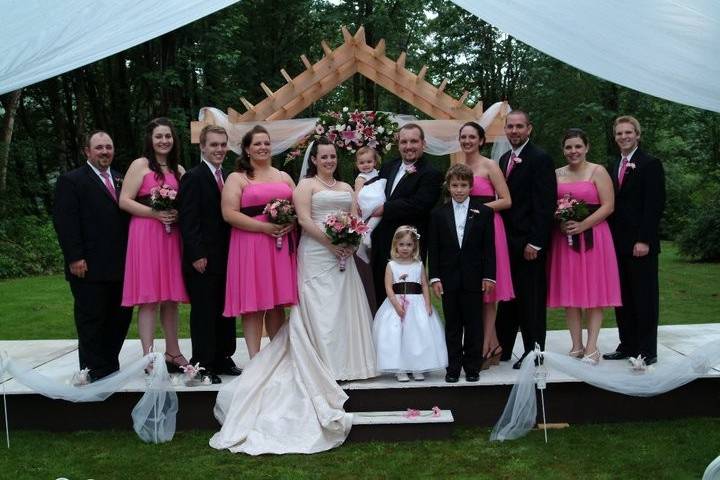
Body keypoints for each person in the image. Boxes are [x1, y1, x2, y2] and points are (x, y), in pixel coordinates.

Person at [210, 137, 375, 455]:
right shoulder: (299, 185)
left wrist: (350, 240)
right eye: (322, 156)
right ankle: (269, 360)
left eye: (332, 156)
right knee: (298, 306)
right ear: (313, 160)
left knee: (336, 309)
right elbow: (302, 218)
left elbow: (354, 217)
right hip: (309, 250)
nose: (328, 159)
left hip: (327, 252)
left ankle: (346, 361)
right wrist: (330, 242)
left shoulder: (332, 185)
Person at [53, 130, 133, 382]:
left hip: (120, 266)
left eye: (108, 147)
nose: (104, 152)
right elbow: (66, 222)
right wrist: (75, 257)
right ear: (87, 151)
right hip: (87, 266)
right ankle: (92, 370)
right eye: (99, 147)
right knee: (92, 319)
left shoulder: (122, 180)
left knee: (119, 318)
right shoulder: (72, 180)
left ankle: (109, 365)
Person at [222, 125, 297, 359]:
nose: (263, 147)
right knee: (253, 303)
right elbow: (229, 213)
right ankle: (255, 359)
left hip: (281, 245)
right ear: (247, 149)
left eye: (266, 143)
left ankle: (277, 357)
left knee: (277, 302)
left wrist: (291, 223)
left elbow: (299, 207)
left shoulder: (283, 176)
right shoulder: (237, 178)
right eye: (257, 144)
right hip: (251, 245)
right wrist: (265, 227)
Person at [547, 129, 622, 364]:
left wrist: (583, 225)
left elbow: (608, 206)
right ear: (563, 150)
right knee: (571, 291)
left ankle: (592, 346)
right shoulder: (556, 174)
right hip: (565, 240)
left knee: (595, 291)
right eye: (568, 147)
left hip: (595, 237)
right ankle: (576, 344)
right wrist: (560, 223)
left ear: (586, 147)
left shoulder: (598, 171)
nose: (573, 151)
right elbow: (549, 205)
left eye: (578, 146)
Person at [119, 117, 189, 372]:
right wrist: (154, 214)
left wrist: (177, 214)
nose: (164, 141)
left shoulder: (179, 170)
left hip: (171, 237)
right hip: (146, 234)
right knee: (149, 298)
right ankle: (148, 357)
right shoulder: (141, 165)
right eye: (159, 136)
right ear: (150, 139)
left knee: (171, 297)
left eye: (168, 136)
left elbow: (186, 204)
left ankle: (174, 351)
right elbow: (124, 200)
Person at [177, 125, 240, 384]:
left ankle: (223, 357)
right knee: (204, 312)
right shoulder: (193, 177)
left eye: (223, 144)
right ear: (202, 146)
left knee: (226, 310)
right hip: (203, 258)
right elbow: (188, 220)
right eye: (214, 145)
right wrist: (196, 254)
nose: (219, 150)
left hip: (228, 255)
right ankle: (203, 364)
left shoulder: (228, 176)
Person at [495, 110, 557, 369]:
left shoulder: (540, 159)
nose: (514, 131)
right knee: (508, 298)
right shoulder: (504, 159)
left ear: (529, 129)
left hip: (529, 243)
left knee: (531, 300)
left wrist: (536, 241)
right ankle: (503, 348)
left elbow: (545, 204)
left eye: (519, 126)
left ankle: (534, 352)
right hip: (507, 241)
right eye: (510, 127)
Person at [604, 116, 665, 365]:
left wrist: (644, 240)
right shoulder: (612, 165)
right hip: (617, 243)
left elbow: (655, 206)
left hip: (641, 244)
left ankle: (647, 349)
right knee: (623, 298)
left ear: (637, 135)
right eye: (619, 133)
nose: (623, 137)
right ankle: (627, 344)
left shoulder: (650, 164)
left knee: (645, 298)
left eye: (628, 132)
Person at [428, 164, 496, 383]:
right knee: (453, 324)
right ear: (448, 186)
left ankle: (472, 366)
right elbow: (434, 249)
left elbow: (489, 248)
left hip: (474, 277)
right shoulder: (438, 214)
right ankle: (453, 367)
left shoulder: (483, 212)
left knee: (474, 323)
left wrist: (489, 275)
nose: (458, 189)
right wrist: (435, 277)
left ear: (471, 186)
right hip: (448, 278)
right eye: (454, 185)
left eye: (463, 185)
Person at [460, 121, 514, 369]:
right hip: (468, 233)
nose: (467, 141)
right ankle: (492, 344)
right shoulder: (458, 167)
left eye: (472, 137)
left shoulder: (490, 166)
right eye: (464, 137)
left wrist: (477, 209)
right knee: (474, 290)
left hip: (491, 230)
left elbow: (506, 200)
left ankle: (485, 346)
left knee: (489, 290)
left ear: (481, 141)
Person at [370, 123, 443, 304]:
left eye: (413, 141)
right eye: (404, 142)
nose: (408, 146)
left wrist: (386, 209)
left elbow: (419, 205)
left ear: (423, 144)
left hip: (409, 246)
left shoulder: (431, 173)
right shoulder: (389, 166)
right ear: (398, 144)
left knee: (406, 297)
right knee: (381, 293)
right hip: (381, 241)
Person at [373, 225, 447, 382]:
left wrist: (427, 303)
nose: (405, 248)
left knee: (416, 335)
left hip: (417, 304)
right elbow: (388, 287)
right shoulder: (391, 265)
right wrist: (396, 305)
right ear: (395, 245)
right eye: (401, 244)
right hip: (396, 305)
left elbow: (424, 285)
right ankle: (400, 369)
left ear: (415, 246)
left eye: (409, 244)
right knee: (397, 336)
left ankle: (417, 366)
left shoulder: (418, 264)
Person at [354, 147, 384, 313]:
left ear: (375, 161)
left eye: (369, 162)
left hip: (379, 203)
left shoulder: (377, 173)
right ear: (357, 164)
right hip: (367, 202)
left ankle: (369, 233)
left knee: (378, 216)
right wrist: (357, 202)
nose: (366, 165)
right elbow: (358, 192)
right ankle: (367, 234)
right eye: (362, 163)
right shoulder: (361, 177)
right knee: (374, 214)